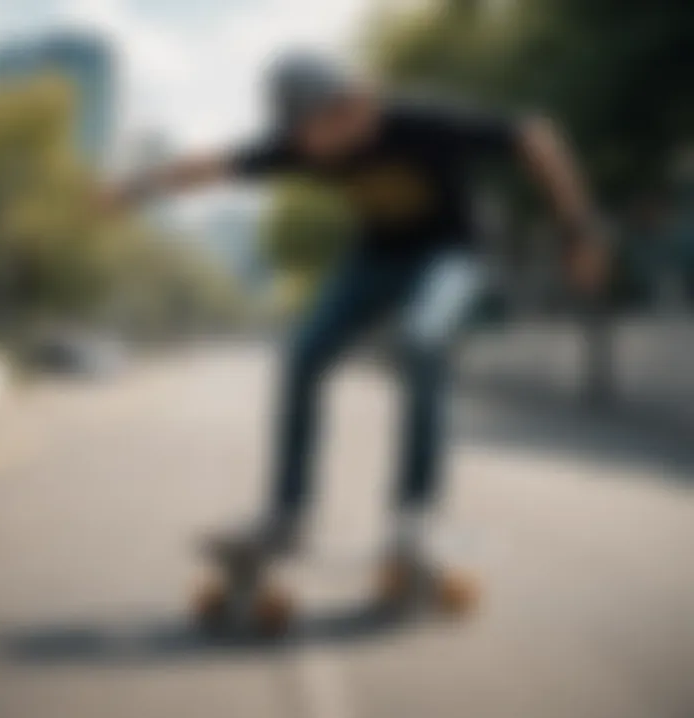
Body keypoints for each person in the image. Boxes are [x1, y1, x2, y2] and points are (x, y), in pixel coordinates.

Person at [104, 52, 607, 572]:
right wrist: (132, 189)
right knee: (303, 355)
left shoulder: (424, 123)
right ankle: (287, 516)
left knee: (421, 339)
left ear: (353, 103)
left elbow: (535, 136)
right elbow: (213, 166)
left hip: (449, 255)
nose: (315, 150)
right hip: (373, 258)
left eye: (324, 132)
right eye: (304, 139)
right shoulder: (301, 143)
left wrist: (579, 230)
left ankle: (415, 516)